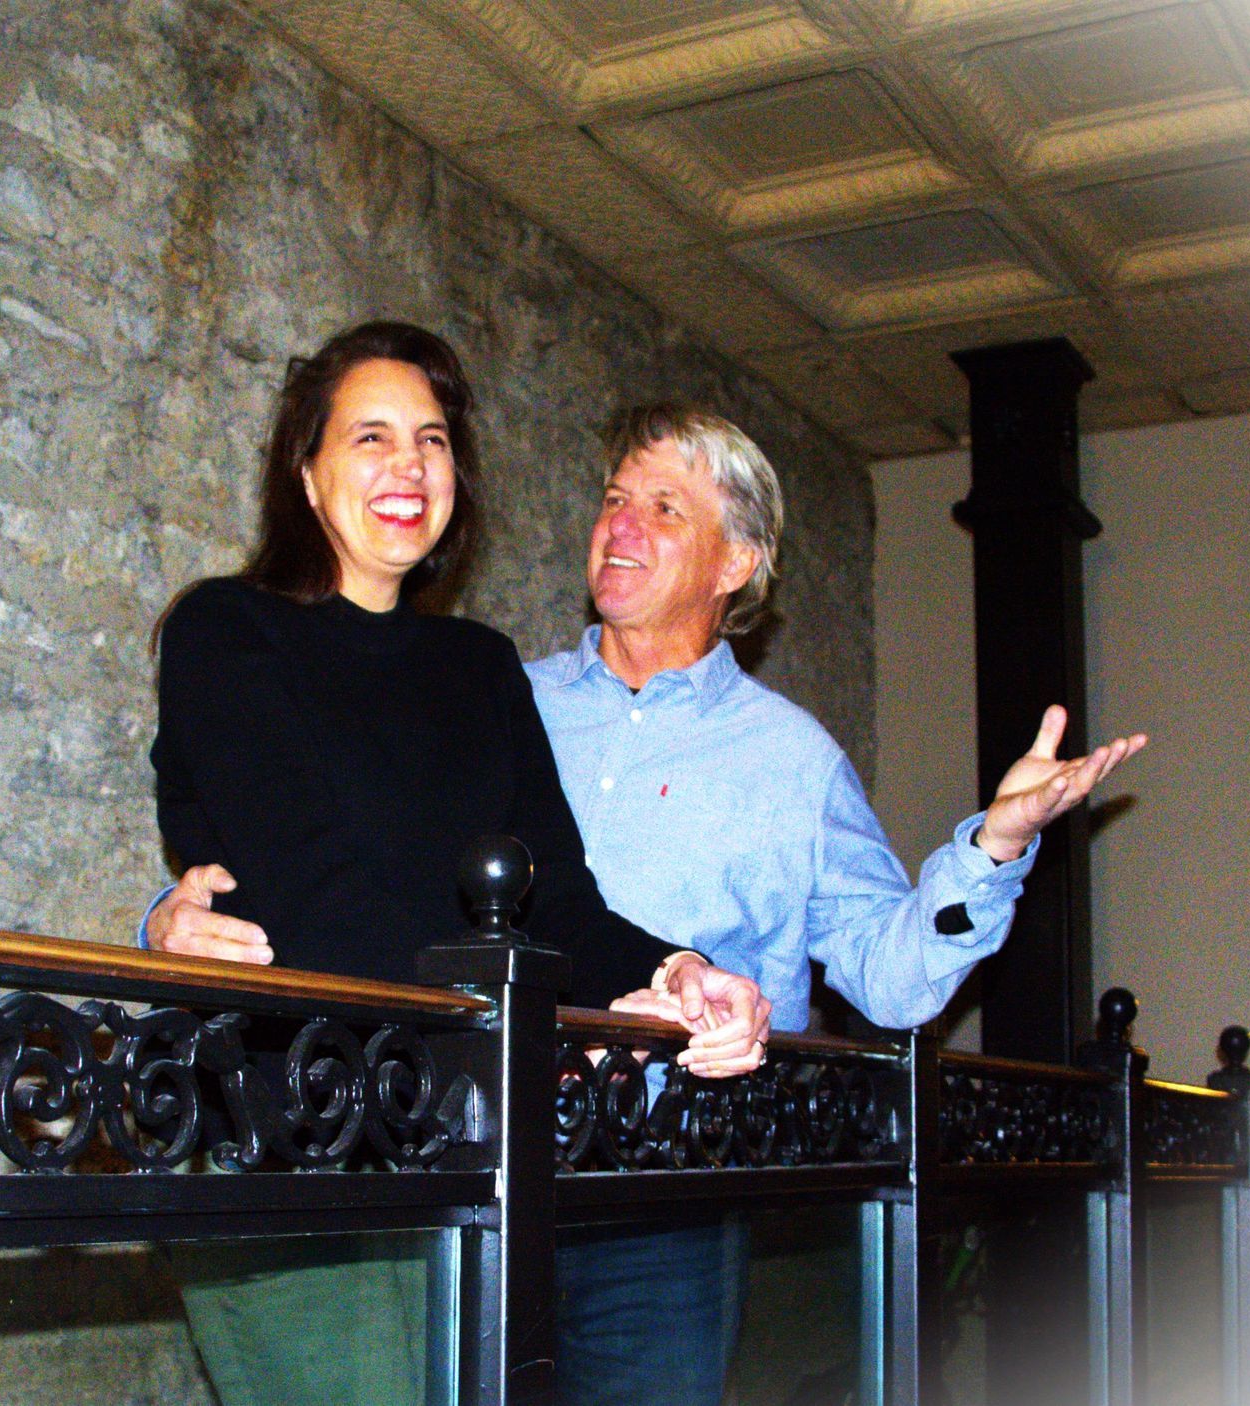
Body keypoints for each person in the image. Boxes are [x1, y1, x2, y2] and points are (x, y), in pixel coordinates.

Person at [150, 401, 1147, 1404]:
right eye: (615, 499)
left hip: (663, 1197)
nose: (619, 524)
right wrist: (174, 916)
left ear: (736, 562)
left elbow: (892, 982)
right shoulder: (479, 687)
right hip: (462, 1163)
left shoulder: (794, 762)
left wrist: (995, 846)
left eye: (664, 508)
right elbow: (326, 856)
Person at [150, 328, 769, 1406]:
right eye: (372, 436)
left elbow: (556, 897)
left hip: (468, 1148)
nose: (411, 466)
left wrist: (678, 971)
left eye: (432, 440)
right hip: (292, 1131)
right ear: (306, 472)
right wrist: (521, 1040)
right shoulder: (224, 630)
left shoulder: (479, 664)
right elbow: (313, 895)